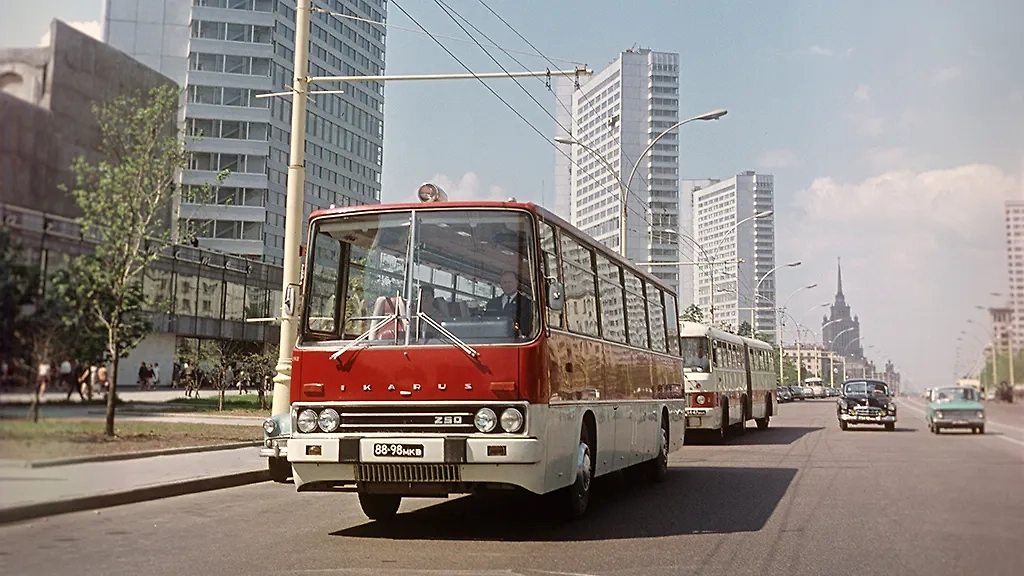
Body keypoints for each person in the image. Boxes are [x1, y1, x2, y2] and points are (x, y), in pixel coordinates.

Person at [484, 270, 533, 338]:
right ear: (501, 284)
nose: (507, 285)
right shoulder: (492, 303)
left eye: (510, 282)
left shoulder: (526, 303)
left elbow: (528, 326)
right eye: (504, 282)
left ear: (517, 283)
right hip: (494, 340)